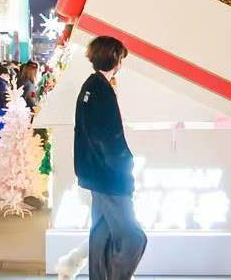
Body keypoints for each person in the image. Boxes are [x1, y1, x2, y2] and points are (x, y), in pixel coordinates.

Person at [75, 36, 145, 280]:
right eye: (120, 58)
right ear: (115, 60)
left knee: (102, 233)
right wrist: (125, 166)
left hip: (95, 173)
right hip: (110, 176)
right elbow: (108, 138)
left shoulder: (91, 86)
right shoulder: (101, 90)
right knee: (133, 237)